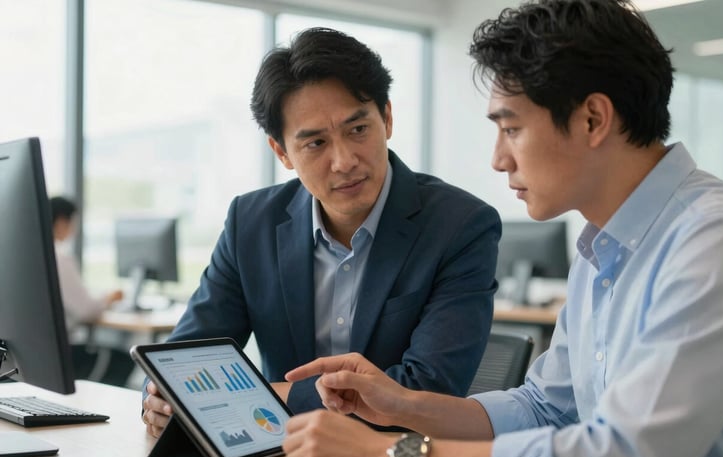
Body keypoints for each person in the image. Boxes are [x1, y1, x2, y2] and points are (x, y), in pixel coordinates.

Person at [280, 1, 723, 457]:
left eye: (511, 129)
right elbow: (544, 409)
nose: (499, 159)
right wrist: (403, 405)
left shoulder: (719, 240)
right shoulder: (603, 250)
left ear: (593, 119)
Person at [140, 28, 501, 436]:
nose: (344, 161)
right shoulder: (251, 222)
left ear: (387, 118)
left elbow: (427, 388)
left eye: (358, 130)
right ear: (281, 152)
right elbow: (183, 361)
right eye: (315, 143)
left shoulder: (460, 225)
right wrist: (159, 397)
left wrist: (275, 396)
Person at [50, 196, 135, 387]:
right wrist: (109, 298)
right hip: (62, 353)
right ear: (63, 221)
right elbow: (86, 310)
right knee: (124, 360)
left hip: (39, 352)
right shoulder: (59, 259)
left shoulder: (33, 256)